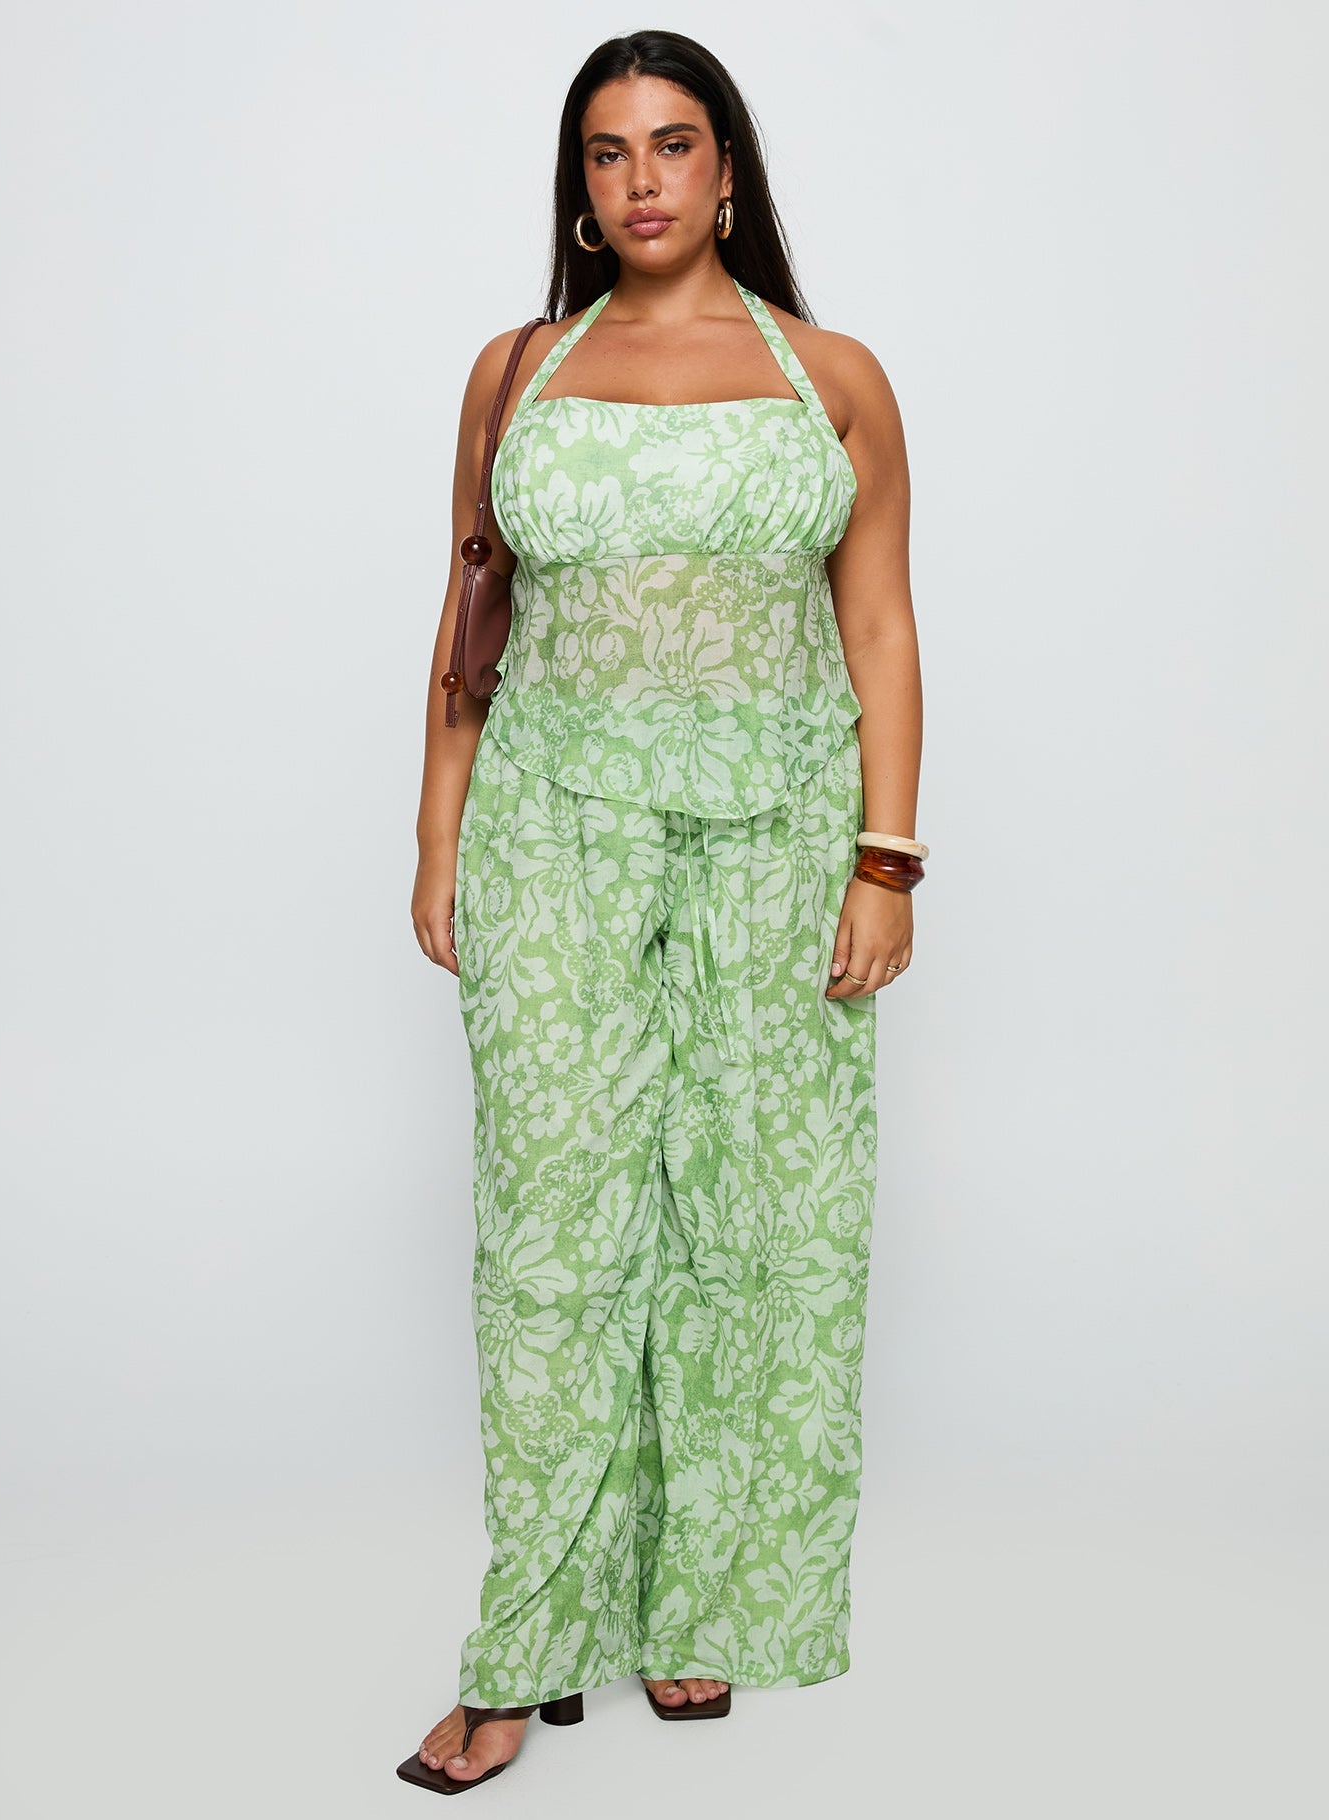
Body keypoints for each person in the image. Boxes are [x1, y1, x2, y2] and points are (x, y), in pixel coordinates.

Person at [401, 27, 923, 1797]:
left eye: (674, 144)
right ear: (580, 187)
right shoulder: (518, 373)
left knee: (753, 1221)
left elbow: (878, 626)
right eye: (608, 151)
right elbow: (471, 612)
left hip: (779, 835)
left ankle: (698, 1601)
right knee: (553, 1234)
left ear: (727, 171)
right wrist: (436, 835)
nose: (641, 180)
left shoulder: (832, 376)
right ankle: (525, 1644)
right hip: (554, 826)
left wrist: (885, 859)